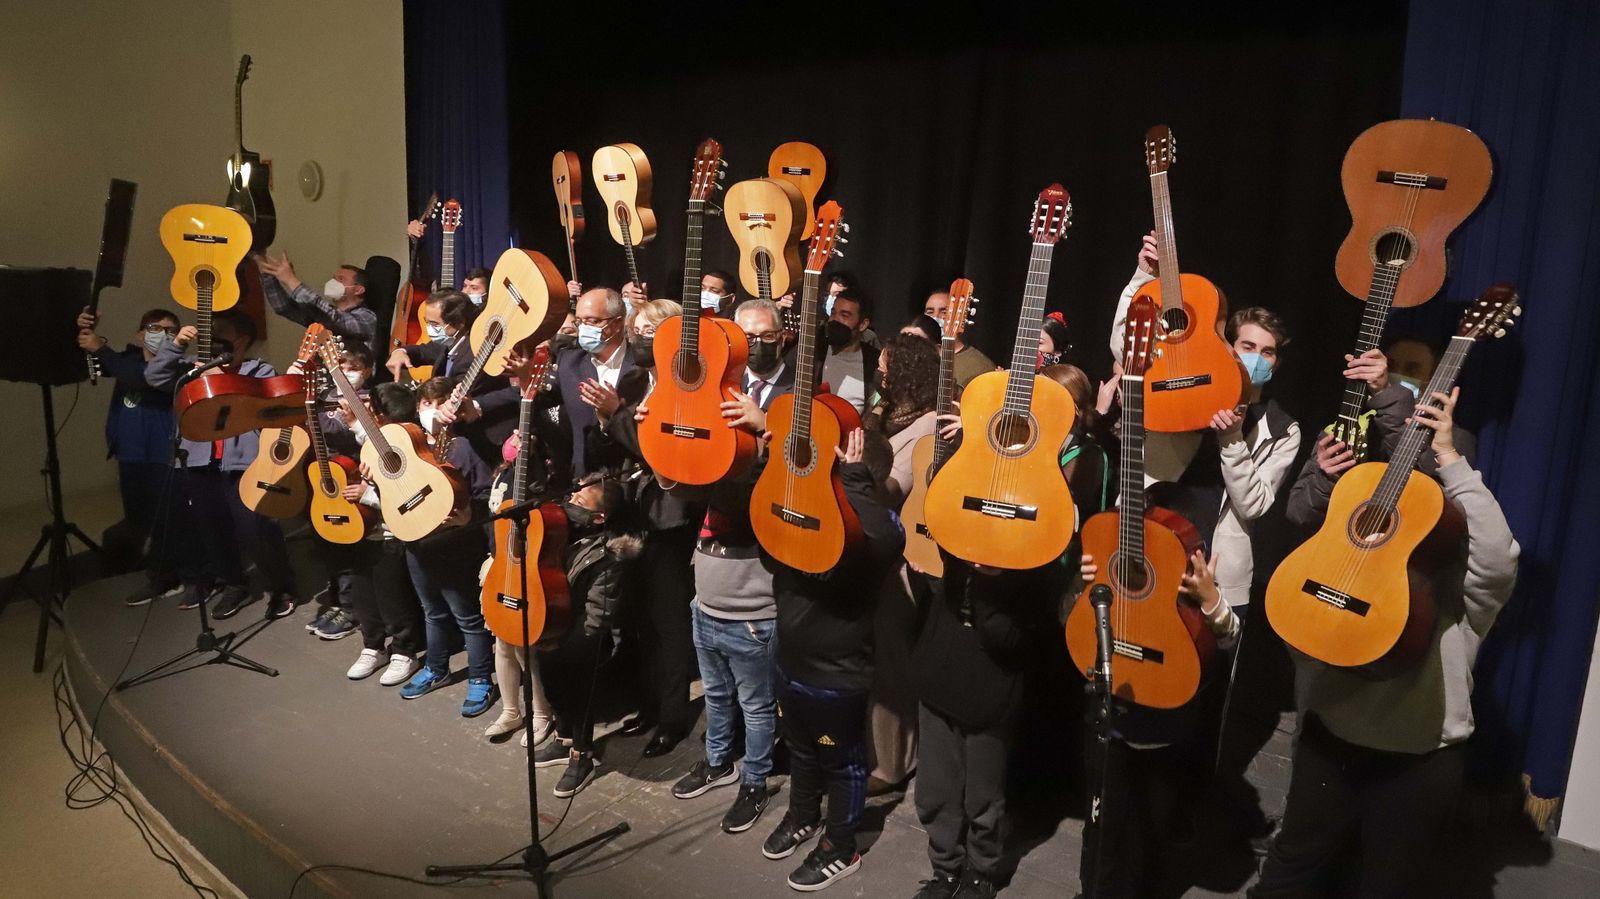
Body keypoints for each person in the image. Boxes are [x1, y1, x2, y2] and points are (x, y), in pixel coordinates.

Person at [1252, 387, 1519, 898]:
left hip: (1419, 756)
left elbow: (1498, 560)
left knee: (1385, 885)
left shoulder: (1461, 582)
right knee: (1291, 868)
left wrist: (1450, 459)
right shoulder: (1345, 553)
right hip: (1331, 737)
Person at [656, 297, 792, 834]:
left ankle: (754, 780)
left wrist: (766, 427)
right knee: (714, 691)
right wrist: (657, 437)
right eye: (745, 335)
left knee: (757, 703)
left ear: (783, 336)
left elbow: (805, 474)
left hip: (757, 582)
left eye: (764, 335)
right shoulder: (713, 388)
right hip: (708, 578)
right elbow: (685, 479)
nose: (753, 345)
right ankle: (717, 761)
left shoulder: (797, 395)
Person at [761, 428, 904, 891]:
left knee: (843, 765)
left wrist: (855, 483)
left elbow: (888, 542)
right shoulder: (812, 509)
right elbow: (768, 544)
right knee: (801, 751)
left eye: (836, 465)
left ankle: (841, 846)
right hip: (791, 661)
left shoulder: (872, 525)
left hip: (838, 676)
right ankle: (803, 815)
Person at [1076, 548, 1243, 899]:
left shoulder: (1185, 542)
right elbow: (1070, 616)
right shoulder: (1111, 531)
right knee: (1100, 830)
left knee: (1148, 839)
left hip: (1165, 729)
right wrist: (1081, 586)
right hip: (1111, 720)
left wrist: (1211, 599)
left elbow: (1229, 636)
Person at [589, 297, 705, 758]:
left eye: (649, 331)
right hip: (631, 511)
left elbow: (665, 454)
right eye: (636, 330)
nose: (639, 338)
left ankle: (672, 717)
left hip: (671, 516)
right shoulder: (635, 379)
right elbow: (618, 443)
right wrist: (608, 419)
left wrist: (619, 415)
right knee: (637, 619)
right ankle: (647, 704)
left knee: (667, 621)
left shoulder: (689, 386)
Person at [143, 309, 298, 619]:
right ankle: (234, 584)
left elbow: (266, 406)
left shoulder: (259, 370)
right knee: (211, 529)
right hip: (198, 463)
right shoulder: (191, 368)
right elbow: (155, 377)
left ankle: (281, 586)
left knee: (256, 529)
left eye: (220, 333)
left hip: (244, 464)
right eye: (209, 332)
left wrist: (221, 379)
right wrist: (177, 345)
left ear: (241, 340)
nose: (211, 338)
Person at [396, 376, 499, 718]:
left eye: (440, 403)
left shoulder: (463, 447)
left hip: (455, 544)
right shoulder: (407, 448)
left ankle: (481, 677)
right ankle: (436, 668)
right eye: (426, 404)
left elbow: (485, 494)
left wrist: (468, 516)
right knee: (432, 611)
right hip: (417, 542)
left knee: (467, 615)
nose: (432, 410)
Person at [535, 475, 643, 796]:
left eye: (580, 500)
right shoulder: (563, 530)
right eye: (573, 495)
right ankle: (563, 737)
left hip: (582, 629)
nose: (571, 501)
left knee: (576, 691)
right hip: (554, 617)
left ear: (599, 517)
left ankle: (582, 755)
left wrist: (580, 643)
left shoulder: (609, 551)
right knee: (551, 682)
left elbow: (600, 609)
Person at [77, 306, 183, 589]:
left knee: (165, 519)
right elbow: (83, 361)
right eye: (155, 329)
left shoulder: (176, 367)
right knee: (137, 518)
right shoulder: (125, 360)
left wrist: (101, 347)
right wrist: (84, 329)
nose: (163, 335)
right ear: (140, 335)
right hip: (130, 454)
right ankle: (149, 569)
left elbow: (141, 377)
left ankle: (169, 577)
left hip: (163, 455)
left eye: (171, 331)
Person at [327, 383, 426, 685]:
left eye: (371, 411)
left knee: (392, 597)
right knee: (364, 597)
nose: (366, 415)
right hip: (364, 531)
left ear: (383, 416)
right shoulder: (378, 439)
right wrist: (353, 424)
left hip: (391, 535)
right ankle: (373, 646)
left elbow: (409, 497)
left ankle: (404, 651)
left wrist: (367, 495)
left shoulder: (407, 444)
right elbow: (369, 440)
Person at [253, 253, 379, 356]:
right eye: (334, 278)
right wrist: (265, 272)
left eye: (341, 279)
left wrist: (292, 281)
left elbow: (336, 319)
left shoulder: (367, 317)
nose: (333, 282)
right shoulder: (323, 316)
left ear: (358, 290)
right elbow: (284, 308)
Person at [820, 288, 879, 415]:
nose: (835, 320)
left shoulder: (874, 364)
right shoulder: (815, 353)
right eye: (833, 313)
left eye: (844, 315)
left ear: (863, 325)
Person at [922, 289, 994, 389]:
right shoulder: (914, 355)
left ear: (958, 316)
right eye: (930, 312)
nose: (935, 317)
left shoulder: (980, 366)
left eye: (944, 312)